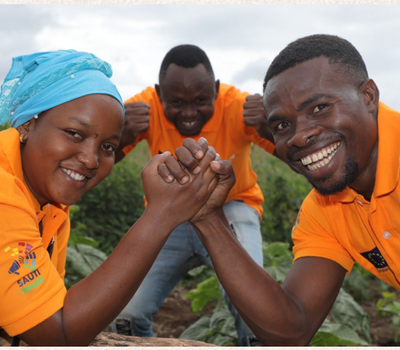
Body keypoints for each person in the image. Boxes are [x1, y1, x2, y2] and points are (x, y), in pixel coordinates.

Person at [162, 34, 400, 345]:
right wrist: (208, 216)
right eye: (282, 126)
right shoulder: (324, 210)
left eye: (319, 108)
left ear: (368, 96)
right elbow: (291, 330)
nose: (299, 137)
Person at [0, 49, 220, 346]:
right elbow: (57, 334)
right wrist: (160, 215)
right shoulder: (5, 194)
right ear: (27, 125)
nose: (91, 160)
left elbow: (49, 310)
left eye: (107, 147)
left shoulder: (50, 204)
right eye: (74, 133)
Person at [113, 44, 276, 345]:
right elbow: (96, 159)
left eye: (201, 100)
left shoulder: (239, 106)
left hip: (233, 208)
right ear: (158, 93)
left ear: (216, 90)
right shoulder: (143, 108)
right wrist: (121, 134)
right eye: (175, 102)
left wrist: (268, 128)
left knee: (258, 313)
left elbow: (294, 151)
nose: (189, 113)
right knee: (125, 315)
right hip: (168, 216)